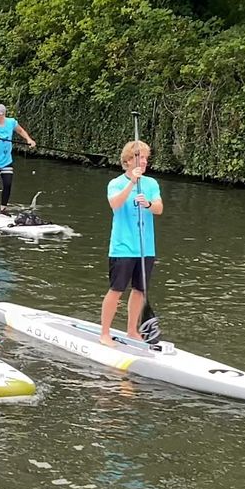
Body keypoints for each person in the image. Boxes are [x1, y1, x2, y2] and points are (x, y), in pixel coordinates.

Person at [99, 139, 164, 347]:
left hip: (146, 248)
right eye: (140, 158)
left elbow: (159, 209)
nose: (145, 162)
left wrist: (148, 204)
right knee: (117, 289)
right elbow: (115, 205)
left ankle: (132, 330)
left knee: (140, 290)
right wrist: (131, 184)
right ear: (128, 161)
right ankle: (105, 333)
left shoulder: (152, 184)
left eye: (146, 158)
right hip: (123, 246)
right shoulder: (116, 183)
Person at [0, 103, 36, 217]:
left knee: (8, 183)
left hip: (6, 160)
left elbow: (20, 131)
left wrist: (29, 139)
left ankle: (3, 209)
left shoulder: (11, 122)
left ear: (3, 114)